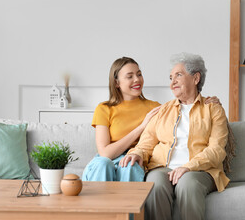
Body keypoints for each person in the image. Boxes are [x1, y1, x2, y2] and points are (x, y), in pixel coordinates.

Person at [120, 52, 230, 220]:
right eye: (171, 78)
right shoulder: (163, 110)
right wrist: (136, 153)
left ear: (196, 78)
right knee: (155, 185)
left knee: (187, 184)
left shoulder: (213, 109)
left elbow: (217, 150)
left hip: (199, 170)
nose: (173, 82)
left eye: (178, 75)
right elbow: (146, 143)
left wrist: (188, 167)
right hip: (162, 167)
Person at [82, 56, 221, 182]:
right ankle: (98, 209)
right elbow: (105, 153)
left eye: (139, 74)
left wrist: (207, 102)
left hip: (136, 159)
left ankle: (128, 210)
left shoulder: (156, 108)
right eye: (129, 76)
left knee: (130, 166)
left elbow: (183, 112)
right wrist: (141, 127)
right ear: (117, 83)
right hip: (108, 160)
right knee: (103, 164)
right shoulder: (104, 108)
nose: (137, 79)